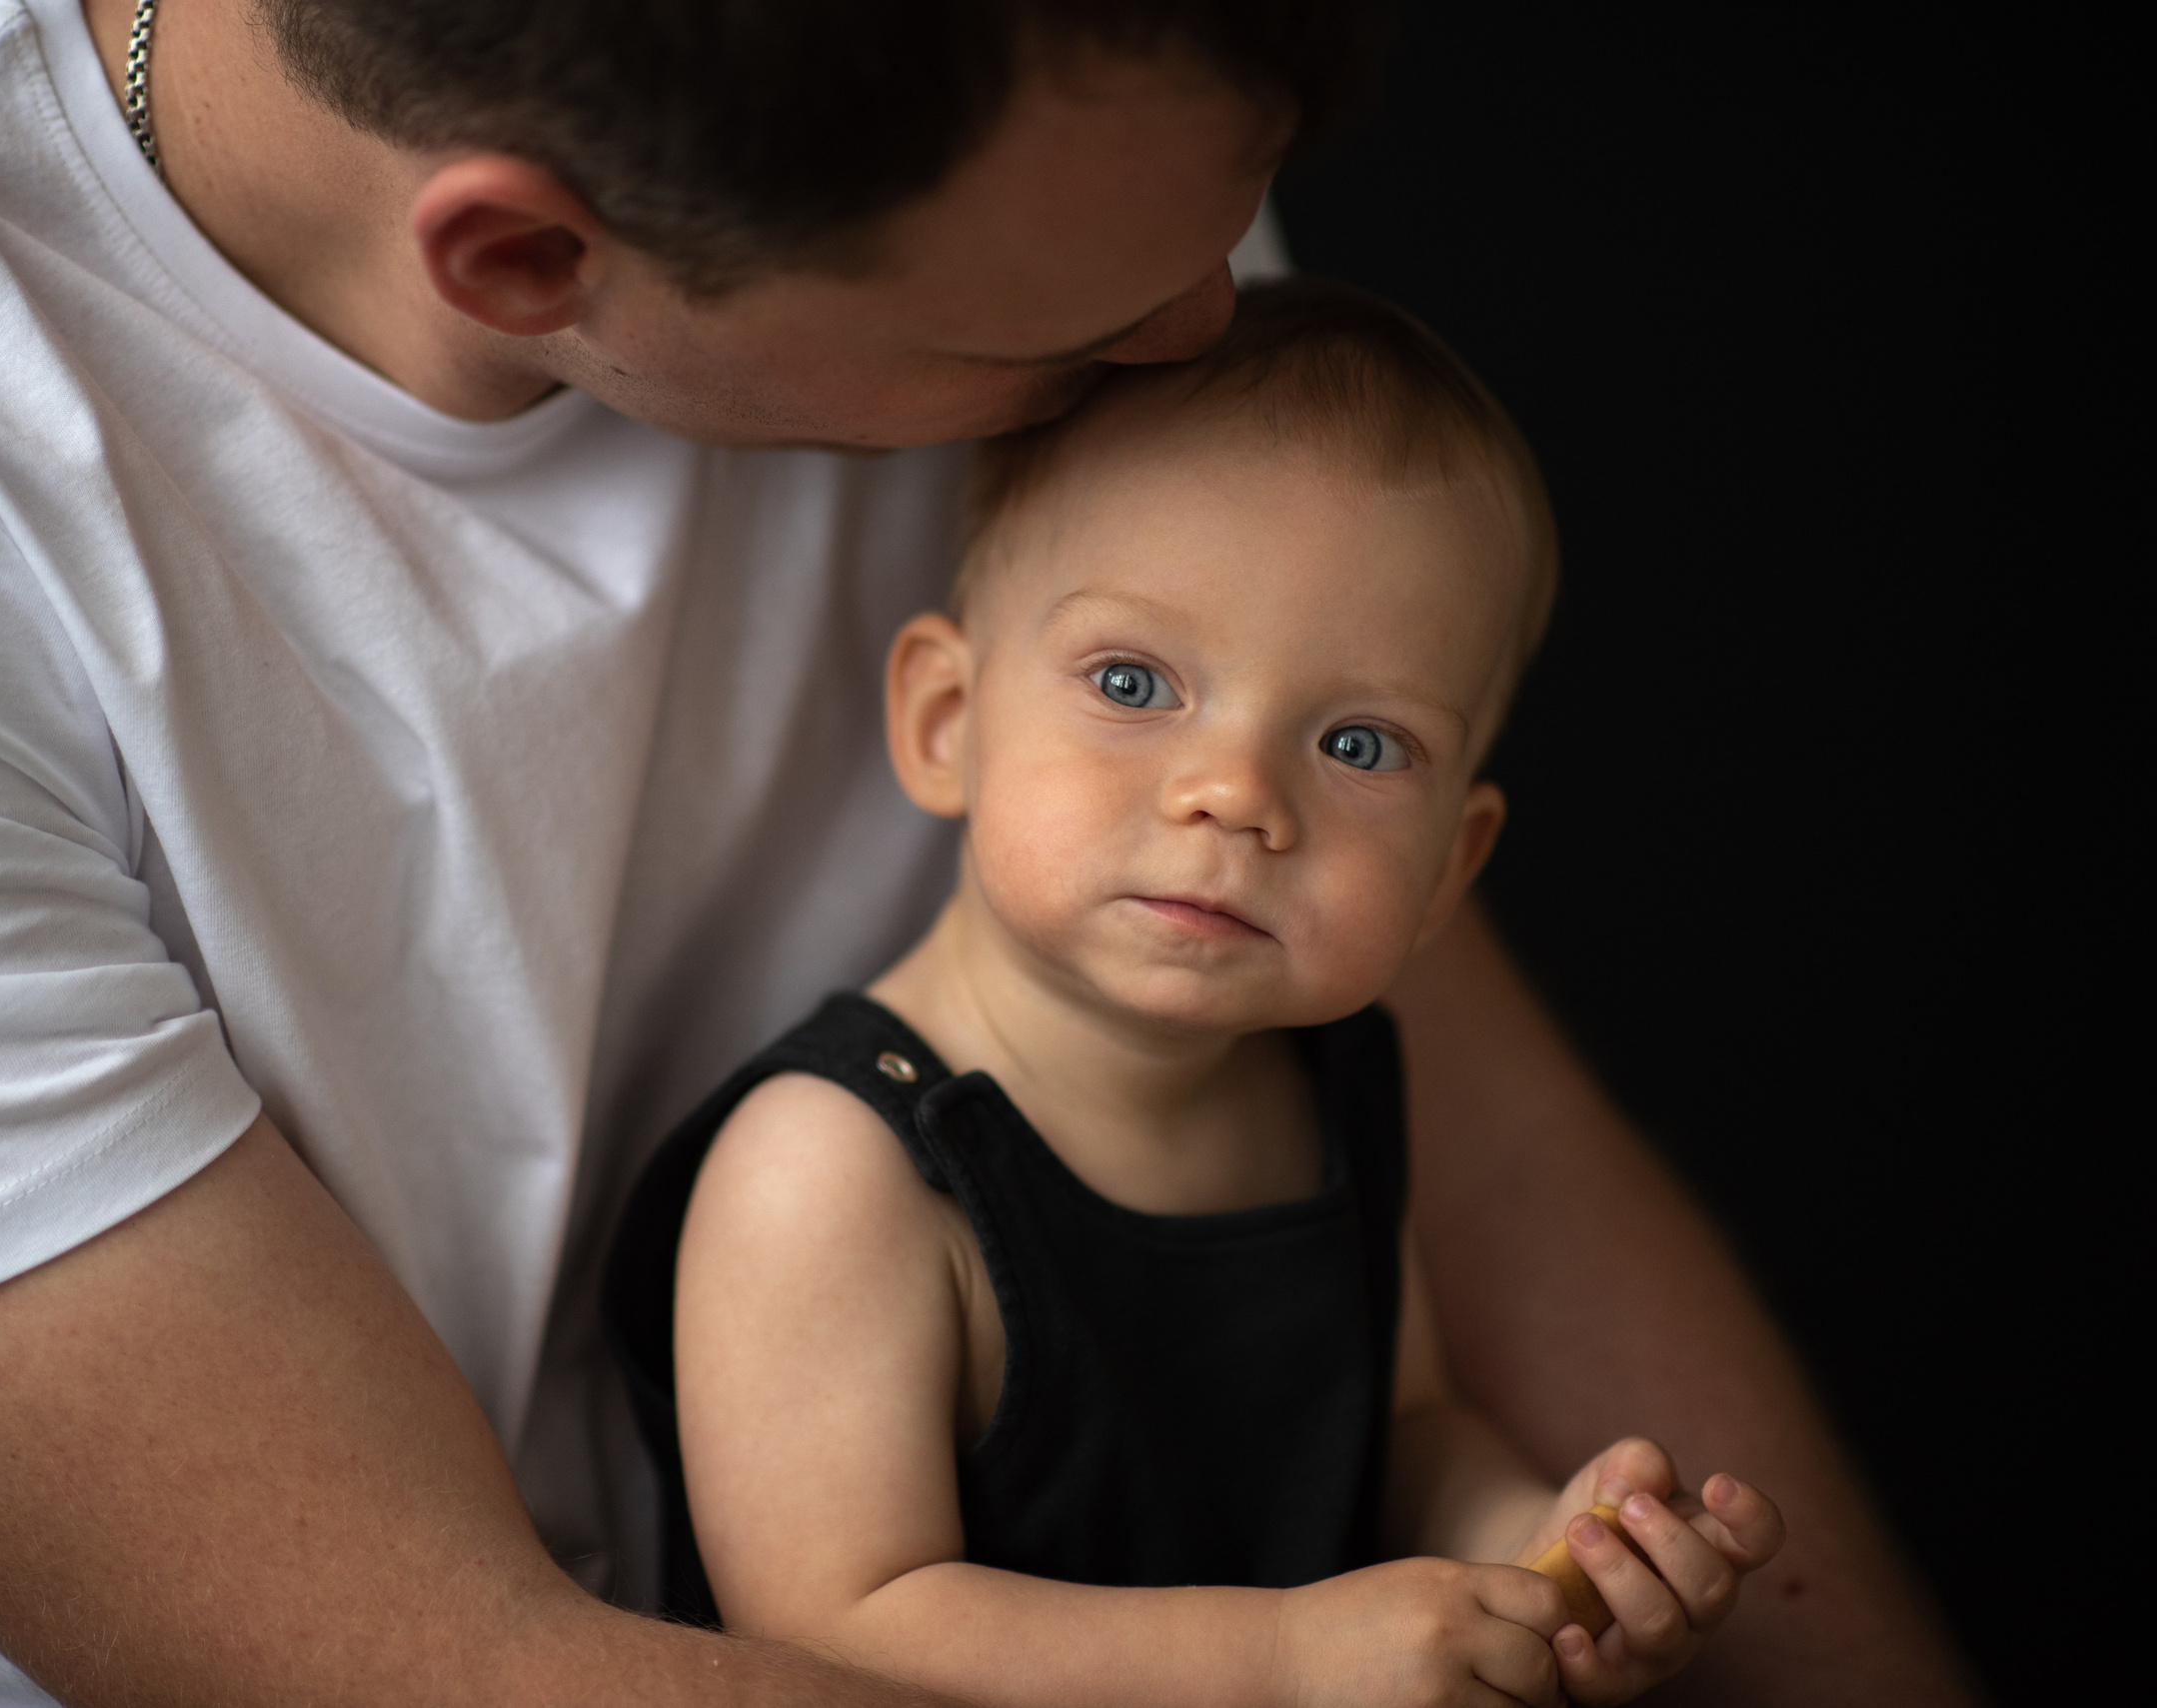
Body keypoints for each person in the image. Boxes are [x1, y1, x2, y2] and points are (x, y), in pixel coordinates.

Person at [0, 1, 1971, 1704]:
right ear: (526, 263)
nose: (1200, 333)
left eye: (1219, 238)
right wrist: (1284, 1659)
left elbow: (1494, 1161)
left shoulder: (1019, 135)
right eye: (1063, 334)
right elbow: (450, 1672)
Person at [612, 282, 1784, 1708]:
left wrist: (1534, 1554)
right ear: (946, 721)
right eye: (1133, 678)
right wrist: (1284, 1659)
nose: (1235, 793)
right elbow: (828, 1624)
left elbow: (1404, 1430)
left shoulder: (1331, 1087)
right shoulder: (836, 1170)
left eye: (1358, 741)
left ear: (1446, 873)